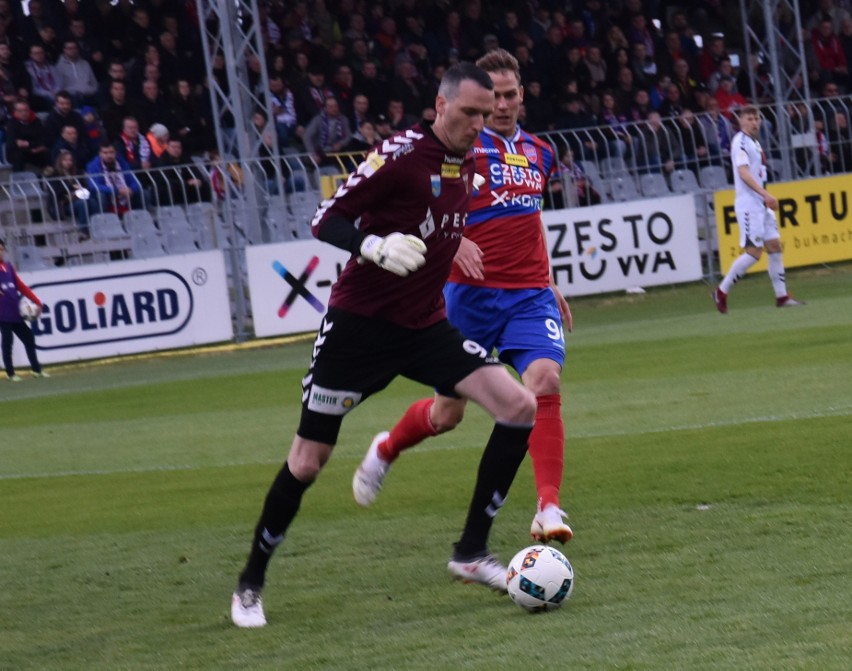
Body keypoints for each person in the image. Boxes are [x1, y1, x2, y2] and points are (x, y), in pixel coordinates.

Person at [230, 62, 537, 629]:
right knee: (308, 461)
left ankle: (470, 552)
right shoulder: (398, 155)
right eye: (471, 110)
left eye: (488, 108)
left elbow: (437, 217)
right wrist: (372, 245)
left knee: (519, 406)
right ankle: (250, 583)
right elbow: (326, 219)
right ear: (440, 107)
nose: (482, 119)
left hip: (424, 326)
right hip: (359, 330)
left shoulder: (468, 159)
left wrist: (459, 242)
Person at [352, 48, 575, 547]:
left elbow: (531, 218)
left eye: (509, 94)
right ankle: (387, 446)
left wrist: (552, 280)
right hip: (466, 300)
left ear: (522, 95)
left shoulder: (539, 152)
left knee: (545, 379)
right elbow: (419, 213)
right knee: (447, 414)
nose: (500, 105)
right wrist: (457, 243)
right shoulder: (458, 152)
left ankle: (548, 505)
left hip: (528, 297)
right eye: (491, 96)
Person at [713, 106, 804, 313]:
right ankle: (721, 291)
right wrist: (765, 195)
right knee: (754, 253)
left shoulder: (754, 142)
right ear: (741, 121)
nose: (755, 122)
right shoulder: (741, 142)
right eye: (750, 118)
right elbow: (743, 173)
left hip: (761, 204)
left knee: (774, 246)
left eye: (757, 118)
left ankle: (782, 297)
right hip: (749, 204)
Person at [0, 239, 48, 382]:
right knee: (8, 341)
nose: (0, 252)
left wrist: (37, 302)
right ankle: (10, 373)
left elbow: (21, 286)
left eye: (1, 249)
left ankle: (36, 370)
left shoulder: (8, 267)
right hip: (2, 314)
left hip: (15, 312)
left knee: (28, 337)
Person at [44, 149, 93, 237]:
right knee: (82, 204)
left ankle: (98, 226)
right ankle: (85, 231)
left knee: (93, 202)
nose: (68, 162)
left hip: (78, 198)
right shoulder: (54, 175)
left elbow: (86, 186)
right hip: (63, 204)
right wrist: (71, 187)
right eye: (65, 160)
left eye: (70, 160)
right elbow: (56, 191)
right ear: (60, 161)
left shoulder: (77, 173)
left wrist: (81, 188)